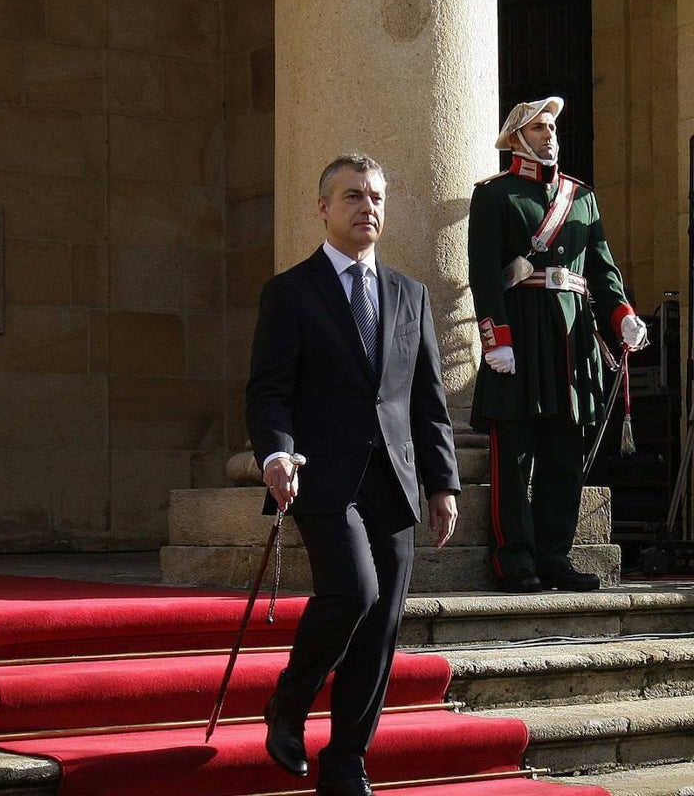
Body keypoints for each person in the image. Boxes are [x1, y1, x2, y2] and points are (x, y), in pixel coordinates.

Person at [246, 154, 460, 796]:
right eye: (352, 196)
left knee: (382, 627)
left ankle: (345, 763)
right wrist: (275, 454)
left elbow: (429, 399)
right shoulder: (291, 291)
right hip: (321, 479)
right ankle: (290, 700)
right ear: (323, 207)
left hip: (393, 481)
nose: (368, 207)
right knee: (354, 594)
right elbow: (268, 391)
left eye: (376, 197)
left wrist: (443, 482)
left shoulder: (409, 294)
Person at [467, 97, 646, 594]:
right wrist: (495, 338)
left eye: (552, 128)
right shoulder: (495, 195)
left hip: (571, 340)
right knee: (515, 457)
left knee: (565, 457)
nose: (550, 135)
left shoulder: (581, 197)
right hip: (520, 336)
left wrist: (623, 316)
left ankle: (555, 557)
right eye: (539, 128)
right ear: (517, 138)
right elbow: (484, 276)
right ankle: (515, 562)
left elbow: (603, 272)